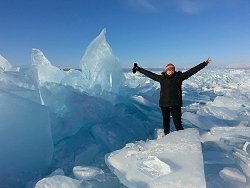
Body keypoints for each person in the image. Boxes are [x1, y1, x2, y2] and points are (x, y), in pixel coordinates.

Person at [132, 58, 211, 135]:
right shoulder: (162, 78)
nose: (170, 71)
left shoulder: (179, 77)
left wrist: (204, 64)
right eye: (169, 70)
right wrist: (138, 69)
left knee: (178, 123)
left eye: (172, 70)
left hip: (176, 104)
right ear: (166, 71)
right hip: (164, 104)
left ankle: (183, 138)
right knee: (166, 123)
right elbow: (150, 74)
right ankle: (167, 135)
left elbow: (192, 71)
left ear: (174, 70)